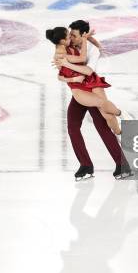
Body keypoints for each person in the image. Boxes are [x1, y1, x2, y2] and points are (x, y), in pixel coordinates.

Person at [46, 20, 132, 180]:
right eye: (69, 35)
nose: (71, 37)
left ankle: (122, 162)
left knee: (101, 124)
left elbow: (87, 69)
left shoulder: (89, 50)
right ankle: (86, 165)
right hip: (78, 91)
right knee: (73, 126)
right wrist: (66, 74)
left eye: (73, 35)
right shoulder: (66, 47)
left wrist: (67, 65)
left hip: (89, 87)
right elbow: (60, 56)